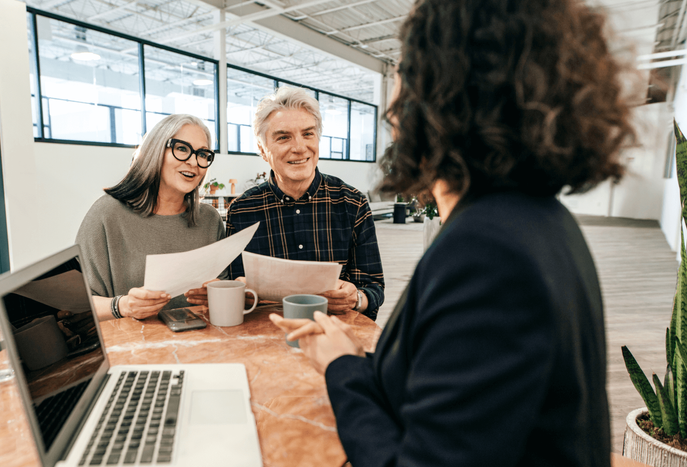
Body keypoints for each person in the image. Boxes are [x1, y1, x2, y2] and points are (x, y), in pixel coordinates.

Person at [270, 1, 635, 466]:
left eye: (405, 69)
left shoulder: (487, 253)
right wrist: (350, 363)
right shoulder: (536, 220)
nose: (393, 109)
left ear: (441, 91)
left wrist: (343, 370)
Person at [188, 87, 385, 320]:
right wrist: (238, 292)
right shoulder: (243, 210)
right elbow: (237, 287)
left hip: (336, 338)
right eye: (283, 137)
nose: (300, 147)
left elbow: (373, 287)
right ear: (263, 150)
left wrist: (357, 298)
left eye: (308, 134)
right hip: (267, 338)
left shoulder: (352, 203)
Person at [76, 114, 226, 322]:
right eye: (182, 148)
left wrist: (216, 296)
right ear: (155, 151)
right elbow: (76, 307)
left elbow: (223, 288)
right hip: (132, 348)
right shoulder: (106, 214)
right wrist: (124, 306)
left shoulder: (209, 220)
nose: (194, 162)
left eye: (202, 154)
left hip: (202, 344)